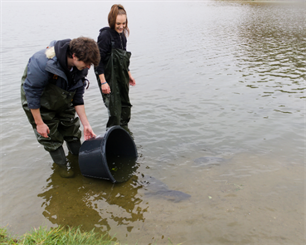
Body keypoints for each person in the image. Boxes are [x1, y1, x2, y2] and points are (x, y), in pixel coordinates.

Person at [21, 37, 100, 178]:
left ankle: (78, 161)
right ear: (74, 56)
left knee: (71, 129)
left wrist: (86, 124)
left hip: (64, 96)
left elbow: (77, 98)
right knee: (50, 136)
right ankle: (62, 166)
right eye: (87, 63)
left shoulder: (80, 68)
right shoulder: (41, 62)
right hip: (39, 102)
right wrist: (39, 123)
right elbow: (31, 94)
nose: (89, 67)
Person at [95, 4, 136, 129]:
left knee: (125, 107)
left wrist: (129, 75)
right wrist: (103, 82)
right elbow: (98, 61)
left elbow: (123, 59)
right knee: (115, 111)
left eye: (124, 23)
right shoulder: (105, 36)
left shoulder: (122, 36)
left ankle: (124, 133)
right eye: (118, 23)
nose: (121, 26)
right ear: (112, 21)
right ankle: (112, 137)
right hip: (108, 77)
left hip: (122, 75)